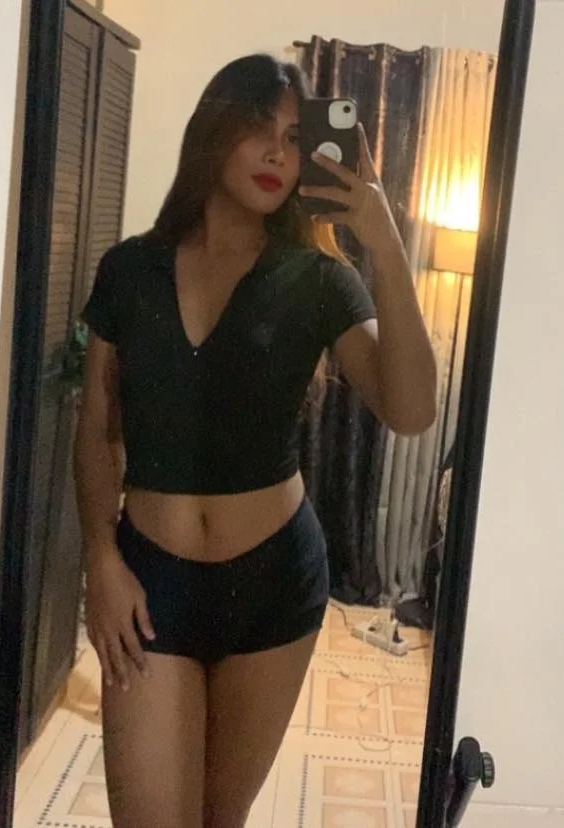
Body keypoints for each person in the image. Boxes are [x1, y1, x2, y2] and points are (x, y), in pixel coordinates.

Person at [74, 52, 437, 828]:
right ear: (214, 130)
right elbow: (98, 428)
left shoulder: (319, 278)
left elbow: (411, 410)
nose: (279, 152)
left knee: (220, 819)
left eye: (296, 137)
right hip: (150, 583)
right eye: (258, 128)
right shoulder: (130, 270)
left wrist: (383, 239)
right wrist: (100, 558)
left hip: (273, 587)